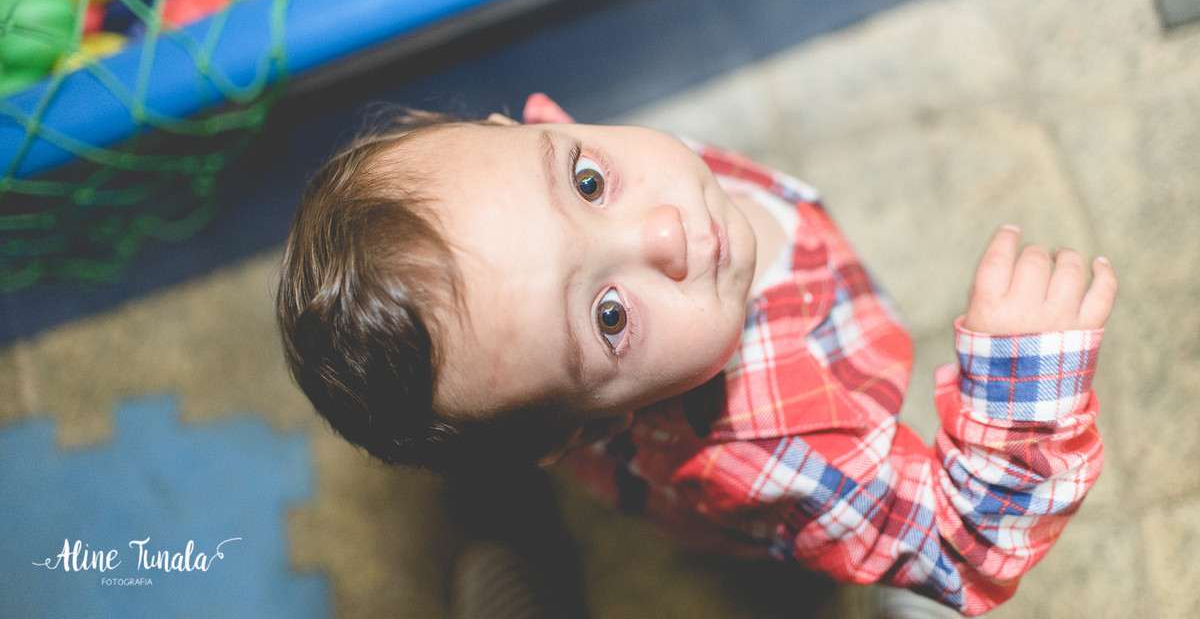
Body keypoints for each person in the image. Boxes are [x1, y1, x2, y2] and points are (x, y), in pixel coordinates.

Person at [276, 93, 1117, 617]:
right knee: (868, 571)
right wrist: (1022, 385)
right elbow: (960, 548)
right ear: (582, 429)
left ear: (518, 129)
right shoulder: (783, 448)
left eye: (588, 184)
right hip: (803, 464)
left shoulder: (540, 184)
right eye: (609, 316)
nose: (664, 231)